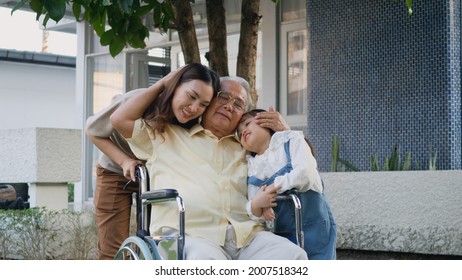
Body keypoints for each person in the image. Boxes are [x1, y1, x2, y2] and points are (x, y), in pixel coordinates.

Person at [111, 75, 308, 260]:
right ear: (208, 101)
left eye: (238, 104)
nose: (229, 106)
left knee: (293, 256)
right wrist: (165, 83)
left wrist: (284, 132)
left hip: (246, 236)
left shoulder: (248, 147)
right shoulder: (166, 136)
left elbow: (300, 165)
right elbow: (120, 119)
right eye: (223, 97)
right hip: (190, 235)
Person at [85, 63, 219, 259]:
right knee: (112, 249)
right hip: (115, 170)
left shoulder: (191, 120)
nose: (194, 108)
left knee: (150, 243)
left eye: (203, 104)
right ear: (175, 86)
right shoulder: (138, 100)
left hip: (153, 174)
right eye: (191, 96)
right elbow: (93, 130)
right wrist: (124, 161)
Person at [236, 109, 337, 260]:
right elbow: (253, 204)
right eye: (239, 133)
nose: (243, 131)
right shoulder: (253, 167)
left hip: (316, 227)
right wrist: (258, 206)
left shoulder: (292, 141)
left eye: (247, 124)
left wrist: (272, 189)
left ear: (266, 121)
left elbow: (305, 175)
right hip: (284, 234)